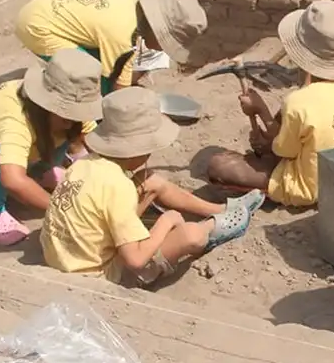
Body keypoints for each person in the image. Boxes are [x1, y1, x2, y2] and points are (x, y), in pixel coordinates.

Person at [40, 86, 258, 288]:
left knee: (150, 181)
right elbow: (135, 260)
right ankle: (211, 227)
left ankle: (219, 209)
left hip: (65, 258)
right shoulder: (119, 187)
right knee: (191, 235)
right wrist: (168, 220)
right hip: (96, 275)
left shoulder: (82, 165)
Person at [206, 0, 334, 208]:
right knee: (285, 120)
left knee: (218, 166)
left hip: (306, 187)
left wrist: (261, 110)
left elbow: (283, 152)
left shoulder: (298, 103)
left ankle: (266, 190)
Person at [0, 49, 104, 246]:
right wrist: (64, 211)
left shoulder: (69, 100)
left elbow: (91, 139)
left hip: (26, 151)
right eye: (67, 114)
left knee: (71, 130)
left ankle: (39, 173)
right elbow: (12, 179)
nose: (71, 120)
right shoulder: (15, 117)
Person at [14, 0, 207, 95]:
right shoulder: (123, 37)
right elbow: (119, 90)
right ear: (157, 30)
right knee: (87, 80)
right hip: (37, 26)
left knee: (108, 67)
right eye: (164, 43)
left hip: (47, 4)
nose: (162, 49)